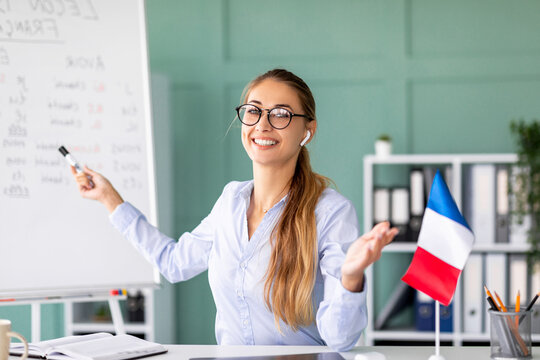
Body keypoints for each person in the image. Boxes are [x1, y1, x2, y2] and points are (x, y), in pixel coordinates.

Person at [70, 69, 398, 351]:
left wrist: (351, 277)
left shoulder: (329, 212)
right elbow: (173, 263)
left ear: (307, 131)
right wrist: (110, 199)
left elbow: (340, 340)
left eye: (281, 113)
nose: (263, 124)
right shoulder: (230, 201)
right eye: (253, 111)